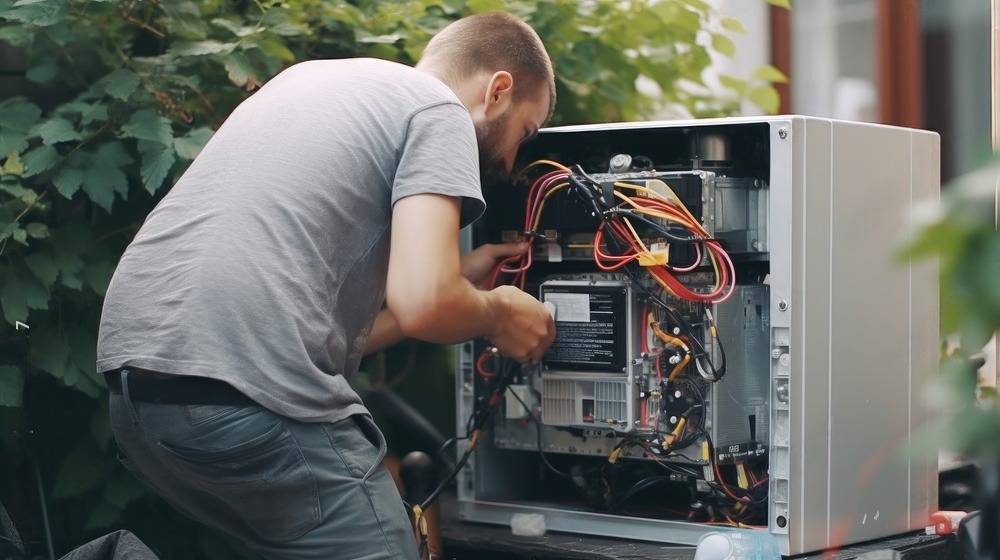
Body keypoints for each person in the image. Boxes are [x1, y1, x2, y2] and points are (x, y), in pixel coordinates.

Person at [97, 11, 557, 560]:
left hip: (142, 400)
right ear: (497, 90)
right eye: (525, 133)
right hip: (242, 394)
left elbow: (367, 317)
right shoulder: (438, 109)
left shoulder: (310, 81)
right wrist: (500, 312)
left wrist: (457, 280)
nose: (511, 162)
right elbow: (425, 305)